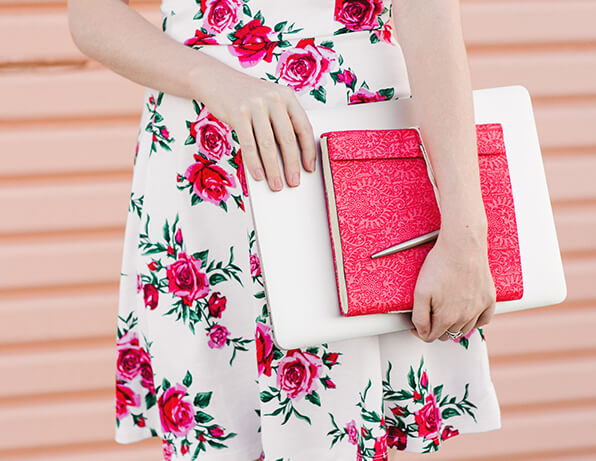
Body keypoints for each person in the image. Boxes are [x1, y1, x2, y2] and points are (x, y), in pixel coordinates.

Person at [68, 0, 501, 459]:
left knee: (338, 430)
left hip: (347, 159)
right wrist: (210, 78)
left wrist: (466, 235)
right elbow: (91, 15)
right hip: (203, 167)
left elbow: (429, 14)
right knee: (222, 425)